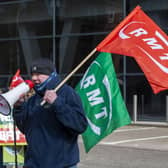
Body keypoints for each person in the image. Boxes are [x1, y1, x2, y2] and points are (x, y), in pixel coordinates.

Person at [13, 58, 88, 168]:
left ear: (51, 75)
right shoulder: (33, 98)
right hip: (33, 164)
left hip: (61, 164)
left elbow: (80, 125)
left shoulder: (67, 93)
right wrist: (18, 107)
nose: (34, 78)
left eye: (39, 74)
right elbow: (25, 128)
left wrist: (57, 103)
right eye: (32, 74)